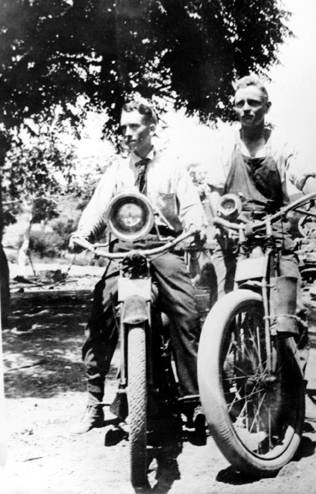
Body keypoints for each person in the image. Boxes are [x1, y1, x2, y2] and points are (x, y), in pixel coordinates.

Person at [70, 98, 206, 434]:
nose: (127, 133)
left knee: (187, 315)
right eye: (124, 126)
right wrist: (82, 233)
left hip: (163, 245)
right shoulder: (117, 170)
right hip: (124, 246)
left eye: (134, 126)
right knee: (100, 314)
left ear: (151, 126)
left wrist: (195, 226)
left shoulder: (172, 166)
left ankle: (195, 401)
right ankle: (95, 400)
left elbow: (190, 207)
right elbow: (98, 209)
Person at [207, 74, 316, 422]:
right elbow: (215, 192)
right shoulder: (225, 147)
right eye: (240, 104)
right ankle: (237, 392)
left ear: (267, 107)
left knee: (291, 315)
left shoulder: (283, 146)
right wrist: (219, 216)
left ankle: (297, 396)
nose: (246, 110)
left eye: (253, 103)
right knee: (230, 315)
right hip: (235, 236)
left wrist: (304, 199)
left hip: (275, 234)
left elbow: (301, 184)